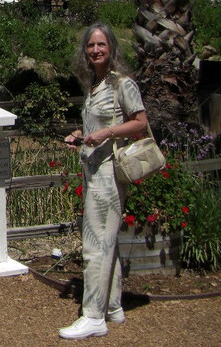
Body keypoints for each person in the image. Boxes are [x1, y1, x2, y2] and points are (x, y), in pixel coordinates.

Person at [59, 23, 148, 340]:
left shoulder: (122, 84)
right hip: (93, 170)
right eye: (90, 46)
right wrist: (82, 136)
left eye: (101, 45)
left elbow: (140, 122)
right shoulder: (94, 85)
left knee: (95, 245)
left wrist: (107, 134)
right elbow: (100, 126)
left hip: (109, 175)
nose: (95, 50)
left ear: (111, 47)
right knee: (106, 240)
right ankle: (112, 307)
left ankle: (94, 316)